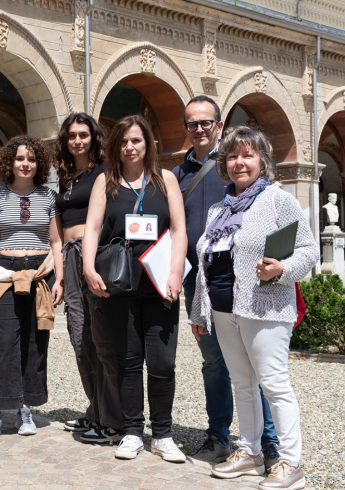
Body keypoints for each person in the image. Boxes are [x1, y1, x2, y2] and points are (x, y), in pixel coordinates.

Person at [189, 126, 317, 490]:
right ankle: (250, 452)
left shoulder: (278, 200)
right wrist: (200, 311)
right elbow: (206, 264)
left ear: (262, 160)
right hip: (224, 310)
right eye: (231, 156)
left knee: (274, 383)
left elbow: (308, 251)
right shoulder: (219, 208)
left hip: (265, 306)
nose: (239, 163)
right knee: (242, 384)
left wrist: (282, 269)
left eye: (247, 155)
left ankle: (291, 462)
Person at [173, 95, 280, 466]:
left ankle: (270, 445)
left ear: (220, 124)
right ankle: (218, 435)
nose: (199, 129)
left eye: (206, 122)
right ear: (185, 129)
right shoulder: (177, 174)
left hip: (249, 282)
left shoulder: (238, 164)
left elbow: (285, 232)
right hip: (201, 283)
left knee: (258, 363)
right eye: (192, 124)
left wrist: (278, 271)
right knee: (214, 361)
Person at [82, 115, 188, 462]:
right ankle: (131, 432)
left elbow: (179, 231)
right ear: (116, 146)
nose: (130, 147)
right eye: (124, 141)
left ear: (148, 145)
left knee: (162, 363)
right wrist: (87, 268)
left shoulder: (166, 180)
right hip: (119, 283)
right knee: (127, 362)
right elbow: (93, 229)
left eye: (136, 141)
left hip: (159, 283)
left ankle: (163, 434)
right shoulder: (105, 182)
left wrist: (175, 274)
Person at [0, 135, 65, 442]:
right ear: (9, 162)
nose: (25, 164)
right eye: (19, 158)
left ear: (38, 164)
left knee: (35, 341)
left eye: (31, 159)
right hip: (4, 272)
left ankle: (26, 407)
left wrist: (61, 279)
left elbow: (56, 241)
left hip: (41, 272)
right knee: (3, 343)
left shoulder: (48, 197)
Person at [52, 113, 124, 443]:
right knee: (78, 335)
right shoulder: (66, 176)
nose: (77, 140)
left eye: (83, 134)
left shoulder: (104, 171)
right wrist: (61, 270)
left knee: (100, 337)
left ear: (94, 138)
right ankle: (96, 408)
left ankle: (111, 416)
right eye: (71, 136)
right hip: (68, 254)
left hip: (90, 253)